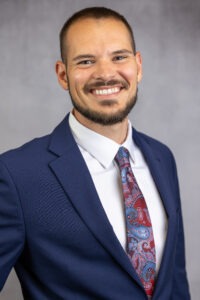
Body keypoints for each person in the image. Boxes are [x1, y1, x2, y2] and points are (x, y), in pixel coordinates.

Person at [0, 6, 190, 300]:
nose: (105, 74)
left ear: (138, 66)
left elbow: (175, 283)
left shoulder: (162, 158)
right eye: (86, 61)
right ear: (63, 75)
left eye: (119, 57)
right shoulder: (16, 175)